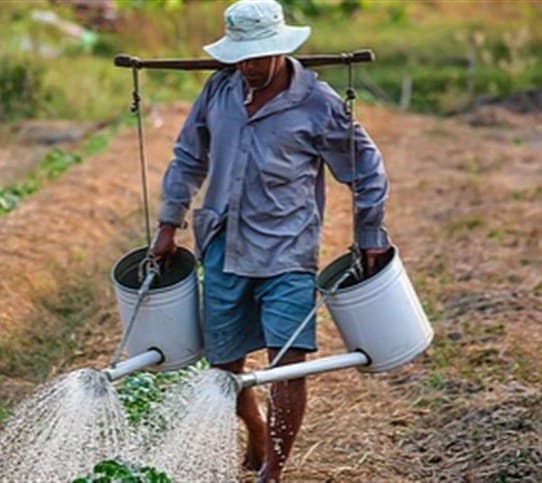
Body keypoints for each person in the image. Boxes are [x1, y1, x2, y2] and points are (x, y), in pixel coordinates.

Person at [151, 0, 391, 480]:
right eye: (240, 56)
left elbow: (366, 169)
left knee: (288, 364)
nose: (248, 66)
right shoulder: (218, 90)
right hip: (222, 243)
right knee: (223, 366)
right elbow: (187, 157)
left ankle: (273, 472)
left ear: (281, 49)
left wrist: (369, 234)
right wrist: (168, 223)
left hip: (288, 249)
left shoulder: (318, 104)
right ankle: (255, 429)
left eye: (258, 57)